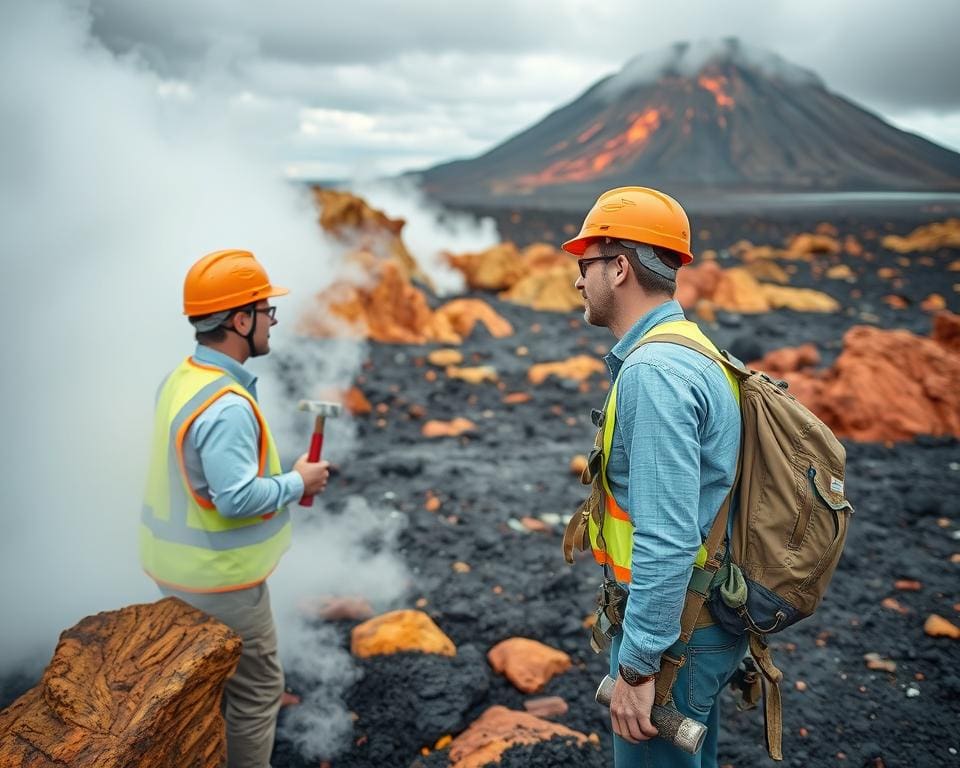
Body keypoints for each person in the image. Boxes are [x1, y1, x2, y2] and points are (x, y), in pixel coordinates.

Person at [562, 188, 746, 768]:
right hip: (696, 619)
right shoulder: (692, 347)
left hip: (674, 635)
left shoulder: (655, 372)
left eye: (586, 264)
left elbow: (667, 535)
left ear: (619, 268)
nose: (578, 281)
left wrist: (639, 667)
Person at [141, 249, 330, 768]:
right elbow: (234, 499)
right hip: (220, 582)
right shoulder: (225, 405)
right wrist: (298, 481)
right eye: (267, 311)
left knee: (208, 684)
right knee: (258, 689)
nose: (273, 322)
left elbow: (199, 479)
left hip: (176, 571)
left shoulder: (181, 379)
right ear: (240, 320)